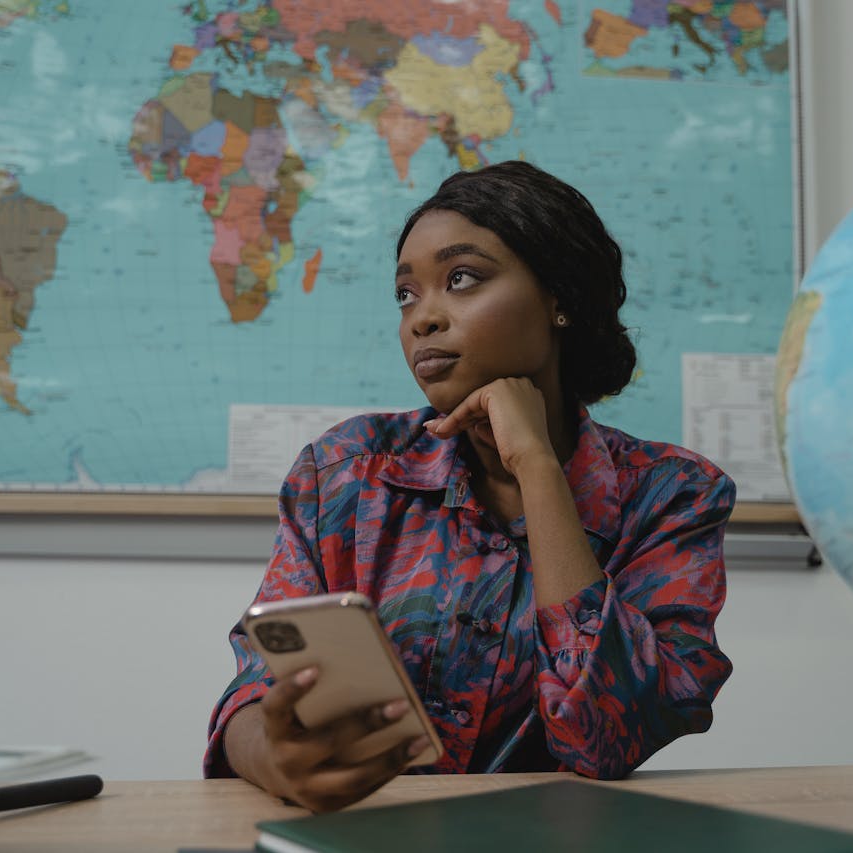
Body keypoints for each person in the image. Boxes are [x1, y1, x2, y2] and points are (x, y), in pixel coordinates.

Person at [205, 161, 735, 812]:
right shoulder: (345, 473)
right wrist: (271, 756)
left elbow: (608, 736)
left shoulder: (672, 496)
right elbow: (259, 683)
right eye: (407, 293)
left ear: (559, 298)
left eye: (461, 279)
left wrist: (537, 467)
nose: (423, 317)